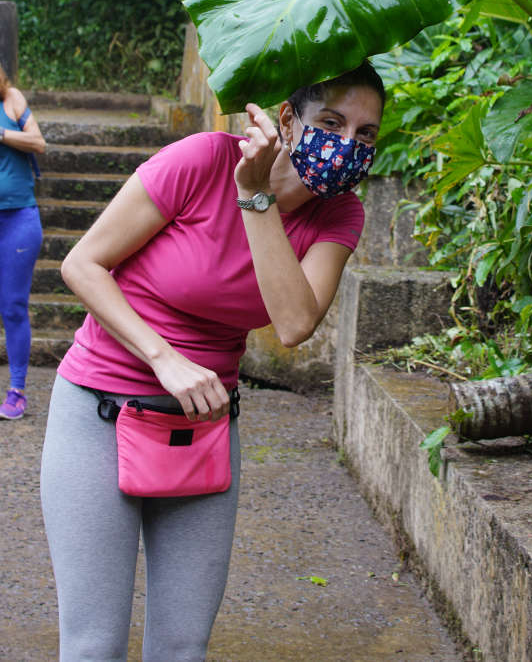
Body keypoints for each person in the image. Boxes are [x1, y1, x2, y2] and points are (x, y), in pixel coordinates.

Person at [40, 61, 384, 661]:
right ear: (287, 120)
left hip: (203, 427)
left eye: (365, 135)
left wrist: (256, 199)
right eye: (331, 123)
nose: (347, 145)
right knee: (94, 645)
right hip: (99, 411)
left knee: (183, 647)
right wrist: (162, 357)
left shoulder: (338, 214)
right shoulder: (202, 160)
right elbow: (82, 265)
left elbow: (296, 321)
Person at [0, 63, 45, 420]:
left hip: (18, 219)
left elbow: (38, 142)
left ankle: (17, 391)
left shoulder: (11, 99)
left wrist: (1, 133)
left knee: (13, 306)